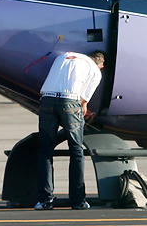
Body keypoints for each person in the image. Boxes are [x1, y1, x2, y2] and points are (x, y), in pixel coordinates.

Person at [35, 50, 104, 210]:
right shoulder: (95, 71)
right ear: (101, 65)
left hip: (47, 100)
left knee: (45, 150)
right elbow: (83, 104)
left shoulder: (63, 56)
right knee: (76, 151)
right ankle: (78, 200)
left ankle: (44, 200)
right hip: (70, 102)